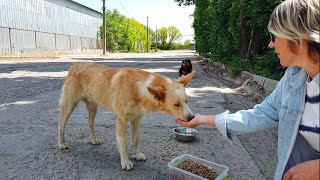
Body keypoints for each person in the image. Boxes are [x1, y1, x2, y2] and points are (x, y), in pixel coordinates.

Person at [176, 0, 320, 179]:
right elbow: (259, 115)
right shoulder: (293, 79)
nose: (270, 44)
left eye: (273, 36)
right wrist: (204, 119)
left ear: (295, 37)